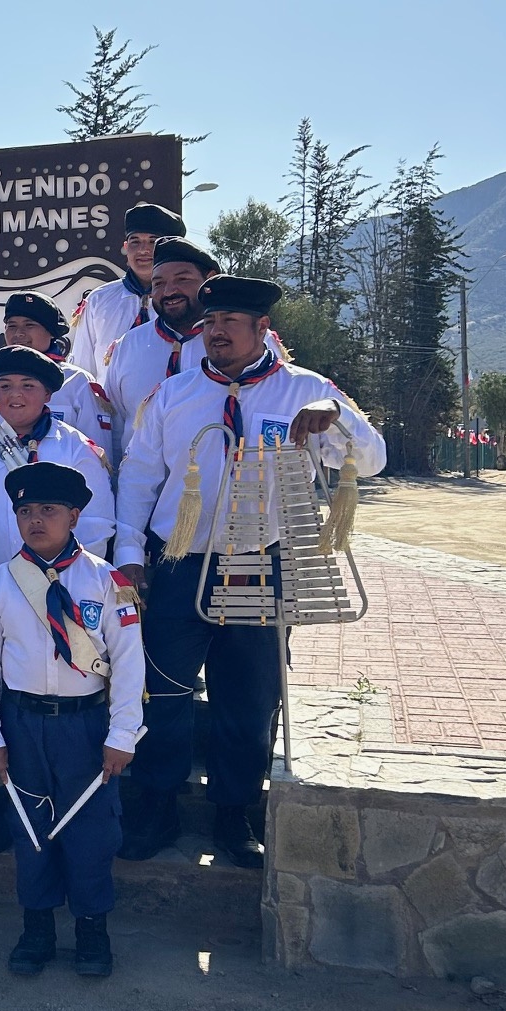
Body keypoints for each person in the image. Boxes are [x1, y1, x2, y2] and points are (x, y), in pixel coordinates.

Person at [115, 275, 387, 866]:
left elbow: (372, 458)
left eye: (229, 323)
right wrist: (130, 555)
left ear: (263, 330)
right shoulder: (174, 395)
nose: (215, 333)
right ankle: (156, 807)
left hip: (258, 561)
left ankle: (233, 815)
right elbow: (138, 478)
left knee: (248, 693)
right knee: (163, 689)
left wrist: (336, 417)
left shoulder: (304, 392)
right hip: (180, 560)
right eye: (210, 324)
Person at [0, 462, 145, 978]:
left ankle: (92, 927)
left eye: (48, 510)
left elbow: (129, 663)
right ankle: (37, 926)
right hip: (22, 725)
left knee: (91, 829)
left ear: (74, 515)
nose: (36, 520)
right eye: (25, 511)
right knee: (30, 826)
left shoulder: (107, 582)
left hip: (85, 727)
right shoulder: (0, 584)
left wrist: (122, 734)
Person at [0, 346, 115, 577]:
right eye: (5, 386)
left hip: (58, 593)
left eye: (28, 385)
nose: (15, 394)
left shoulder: (76, 450)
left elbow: (96, 525)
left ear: (47, 395)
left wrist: (71, 582)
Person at [101, 240, 220, 466]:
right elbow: (115, 424)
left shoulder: (239, 341)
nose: (169, 291)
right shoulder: (128, 345)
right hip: (139, 492)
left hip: (217, 491)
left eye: (182, 279)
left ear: (209, 279)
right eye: (159, 283)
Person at [0, 291, 113, 452]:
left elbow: (97, 450)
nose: (19, 333)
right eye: (12, 326)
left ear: (51, 332)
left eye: (29, 325)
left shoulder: (77, 381)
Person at [70, 202, 187, 380]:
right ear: (125, 246)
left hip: (171, 405)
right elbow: (82, 371)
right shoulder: (99, 300)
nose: (143, 250)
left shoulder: (185, 301)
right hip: (109, 407)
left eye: (153, 241)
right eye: (135, 241)